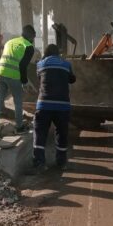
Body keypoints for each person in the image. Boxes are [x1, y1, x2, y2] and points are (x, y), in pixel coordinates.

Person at [31, 44, 76, 172]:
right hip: (62, 106)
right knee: (62, 134)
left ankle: (39, 163)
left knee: (40, 134)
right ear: (58, 53)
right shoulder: (66, 64)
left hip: (44, 105)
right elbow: (72, 79)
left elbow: (39, 79)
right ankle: (61, 163)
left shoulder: (40, 64)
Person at [0, 25, 36, 138]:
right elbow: (22, 66)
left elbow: (10, 59)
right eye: (33, 38)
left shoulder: (10, 42)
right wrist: (25, 83)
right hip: (13, 75)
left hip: (0, 72)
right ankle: (19, 127)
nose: (33, 41)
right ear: (31, 37)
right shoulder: (29, 47)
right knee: (18, 101)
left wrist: (26, 81)